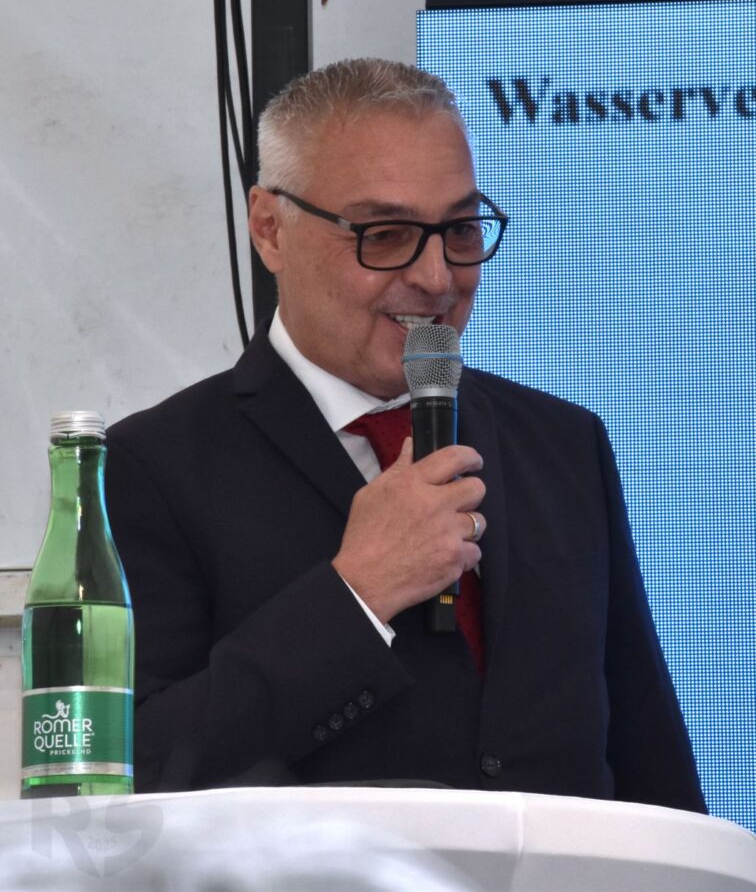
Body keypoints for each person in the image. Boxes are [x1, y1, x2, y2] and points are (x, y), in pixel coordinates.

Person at [105, 58, 706, 810]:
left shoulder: (563, 445)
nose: (436, 276)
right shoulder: (148, 469)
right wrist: (357, 593)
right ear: (269, 229)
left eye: (459, 229)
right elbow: (130, 772)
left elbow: (650, 764)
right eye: (385, 234)